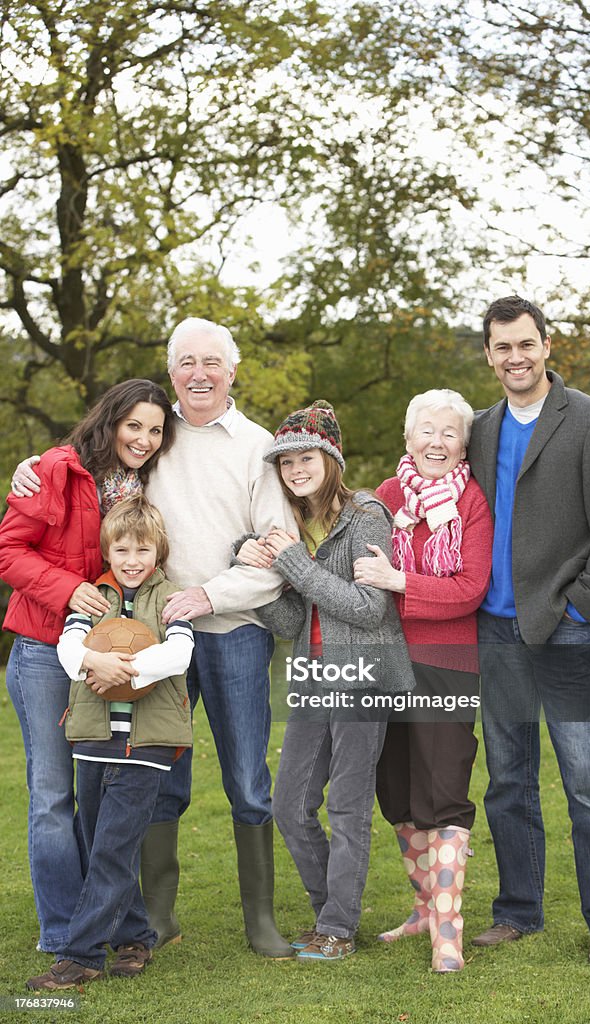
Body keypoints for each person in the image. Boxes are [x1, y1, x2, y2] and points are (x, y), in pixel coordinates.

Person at [12, 318, 299, 958]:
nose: (200, 374)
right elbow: (85, 463)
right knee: (155, 769)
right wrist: (35, 465)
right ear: (171, 372)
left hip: (232, 630)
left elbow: (279, 552)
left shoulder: (257, 446)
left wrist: (210, 595)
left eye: (213, 362)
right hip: (146, 635)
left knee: (248, 778)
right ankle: (159, 918)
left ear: (233, 370)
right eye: (187, 362)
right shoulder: (153, 436)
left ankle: (261, 922)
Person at [466, 295, 590, 963]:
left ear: (546, 346)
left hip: (561, 628)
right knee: (507, 778)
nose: (514, 357)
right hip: (493, 628)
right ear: (487, 353)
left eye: (525, 344)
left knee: (585, 779)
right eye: (501, 346)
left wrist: (578, 608)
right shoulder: (479, 428)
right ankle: (517, 911)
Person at [235, 400, 415, 961]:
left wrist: (293, 564)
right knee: (289, 805)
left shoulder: (367, 515)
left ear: (330, 458)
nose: (294, 470)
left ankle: (337, 928)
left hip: (364, 676)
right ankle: (328, 915)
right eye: (285, 462)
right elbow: (293, 619)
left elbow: (367, 608)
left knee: (347, 807)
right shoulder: (295, 526)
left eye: (305, 457)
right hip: (313, 677)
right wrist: (256, 572)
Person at [0, 379, 174, 956]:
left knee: (103, 792)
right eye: (134, 426)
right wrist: (70, 589)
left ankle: (112, 926)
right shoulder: (55, 469)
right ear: (110, 421)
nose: (144, 439)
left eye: (155, 430)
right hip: (47, 652)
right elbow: (9, 550)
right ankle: (60, 931)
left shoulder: (139, 487)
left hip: (112, 652)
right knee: (53, 796)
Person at [27, 495, 194, 990]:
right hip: (94, 742)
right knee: (100, 843)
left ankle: (80, 956)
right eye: (121, 550)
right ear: (107, 551)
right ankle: (135, 935)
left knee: (113, 851)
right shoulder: (93, 597)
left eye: (143, 550)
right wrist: (91, 662)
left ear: (158, 552)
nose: (132, 560)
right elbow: (68, 648)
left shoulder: (172, 597)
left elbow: (179, 653)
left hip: (146, 748)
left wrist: (126, 669)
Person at [353, 389, 493, 973]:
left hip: (447, 663)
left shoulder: (472, 503)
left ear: (463, 444)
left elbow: (470, 589)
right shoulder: (386, 497)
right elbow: (358, 570)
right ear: (407, 438)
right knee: (398, 792)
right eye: (426, 431)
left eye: (450, 433)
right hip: (388, 663)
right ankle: (422, 909)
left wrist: (400, 581)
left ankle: (448, 930)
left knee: (443, 792)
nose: (437, 442)